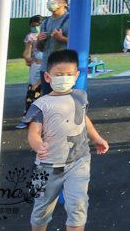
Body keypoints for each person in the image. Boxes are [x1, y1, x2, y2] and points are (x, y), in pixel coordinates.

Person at [24, 48, 109, 231]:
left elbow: (84, 118)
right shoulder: (41, 105)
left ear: (77, 75)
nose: (65, 77)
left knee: (78, 206)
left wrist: (96, 137)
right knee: (41, 211)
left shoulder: (80, 96)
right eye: (59, 74)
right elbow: (33, 133)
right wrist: (38, 146)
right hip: (47, 166)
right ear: (48, 77)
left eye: (69, 74)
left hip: (78, 161)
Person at [35, 0, 70, 96]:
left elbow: (78, 44)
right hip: (46, 68)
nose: (51, 1)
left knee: (64, 99)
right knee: (48, 99)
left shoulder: (71, 20)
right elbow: (42, 48)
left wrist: (61, 38)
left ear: (64, 3)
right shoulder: (45, 23)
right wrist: (39, 40)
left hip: (64, 68)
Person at [16, 15, 45, 129]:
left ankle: (41, 121)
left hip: (44, 65)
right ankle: (28, 120)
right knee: (32, 93)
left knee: (43, 93)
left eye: (38, 26)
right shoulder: (30, 37)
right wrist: (28, 59)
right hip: (35, 65)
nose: (36, 28)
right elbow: (27, 52)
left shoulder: (45, 35)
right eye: (33, 26)